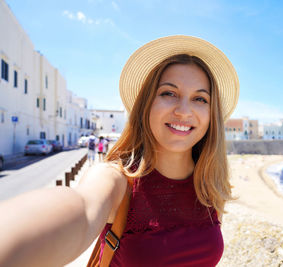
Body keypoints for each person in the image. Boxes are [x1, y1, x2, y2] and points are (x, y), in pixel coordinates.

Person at [0, 35, 239, 266]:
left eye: (200, 99)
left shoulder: (210, 185)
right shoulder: (115, 180)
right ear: (146, 104)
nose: (184, 111)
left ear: (211, 116)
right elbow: (82, 209)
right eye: (169, 93)